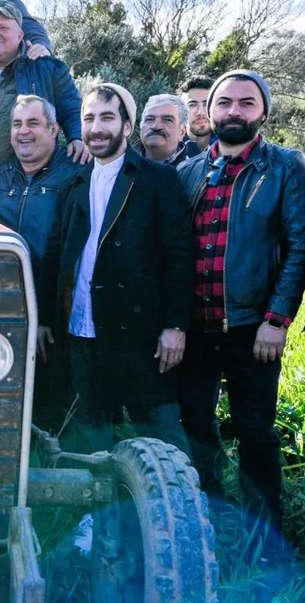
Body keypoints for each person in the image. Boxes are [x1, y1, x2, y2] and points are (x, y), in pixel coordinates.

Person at [174, 70, 305, 541]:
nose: (234, 111)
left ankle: (264, 535)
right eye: (225, 103)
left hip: (253, 327)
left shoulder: (285, 167)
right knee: (196, 423)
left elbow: (301, 246)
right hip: (196, 327)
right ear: (209, 111)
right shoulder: (190, 171)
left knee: (254, 430)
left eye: (246, 103)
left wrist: (277, 319)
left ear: (263, 112)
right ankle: (209, 520)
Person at [38, 83, 193, 455]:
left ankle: (181, 511)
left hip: (139, 334)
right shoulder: (73, 183)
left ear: (127, 126)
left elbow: (179, 257)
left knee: (163, 440)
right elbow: (56, 255)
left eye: (107, 117)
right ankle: (99, 514)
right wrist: (45, 318)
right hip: (81, 333)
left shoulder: (159, 180)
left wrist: (175, 326)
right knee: (90, 438)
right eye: (89, 119)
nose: (96, 128)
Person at [0, 94, 81, 432]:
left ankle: (47, 463)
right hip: (4, 305)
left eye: (33, 123)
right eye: (17, 124)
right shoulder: (0, 177)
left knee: (49, 398)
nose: (24, 132)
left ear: (53, 129)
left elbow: (62, 252)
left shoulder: (74, 174)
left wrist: (44, 316)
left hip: (55, 309)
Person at [0, 0, 86, 195]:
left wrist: (77, 136)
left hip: (22, 192)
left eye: (3, 27)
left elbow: (71, 108)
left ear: (20, 35)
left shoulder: (46, 68)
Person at [134, 93, 194, 168]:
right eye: (150, 119)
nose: (156, 126)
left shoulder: (194, 173)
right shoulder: (120, 165)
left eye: (167, 120)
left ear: (182, 132)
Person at [179, 75, 214, 155]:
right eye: (192, 105)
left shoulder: (231, 146)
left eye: (207, 104)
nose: (201, 112)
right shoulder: (170, 149)